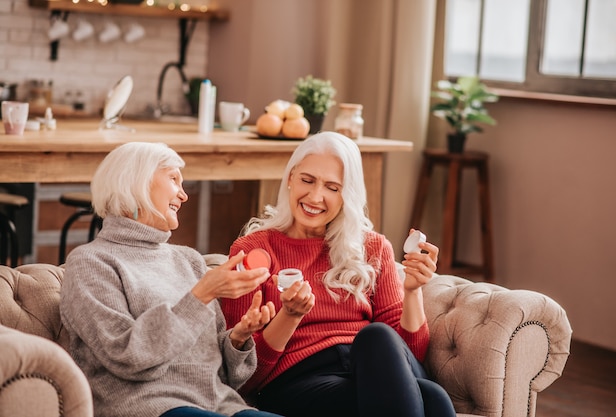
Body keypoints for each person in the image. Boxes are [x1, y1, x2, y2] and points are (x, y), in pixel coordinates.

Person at [220, 132, 457, 417]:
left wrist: (412, 290)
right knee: (432, 399)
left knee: (385, 346)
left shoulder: (373, 247)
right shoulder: (253, 250)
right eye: (307, 180)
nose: (315, 196)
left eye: (332, 187)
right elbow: (241, 374)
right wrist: (289, 316)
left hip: (371, 366)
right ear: (291, 178)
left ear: (347, 195)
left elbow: (410, 352)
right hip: (300, 381)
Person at [60, 142, 285, 417]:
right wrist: (201, 295)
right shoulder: (91, 262)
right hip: (147, 407)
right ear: (136, 182)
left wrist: (238, 338)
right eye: (173, 179)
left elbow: (224, 376)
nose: (184, 195)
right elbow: (128, 356)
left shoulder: (187, 260)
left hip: (220, 404)